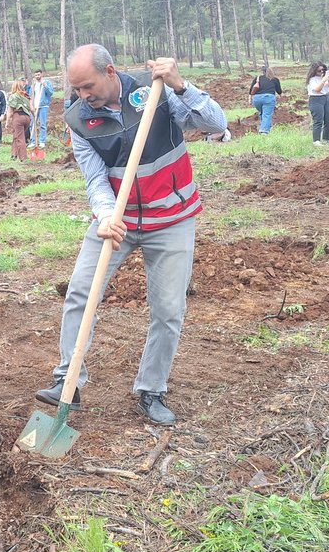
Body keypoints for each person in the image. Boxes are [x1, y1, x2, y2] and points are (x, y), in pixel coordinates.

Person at [34, 45, 226, 426]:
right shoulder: (77, 119)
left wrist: (181, 86)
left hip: (172, 217)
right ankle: (67, 381)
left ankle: (151, 390)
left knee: (168, 309)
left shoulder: (153, 90)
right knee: (80, 292)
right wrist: (106, 216)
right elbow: (94, 178)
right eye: (76, 88)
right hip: (118, 219)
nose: (82, 95)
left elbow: (215, 126)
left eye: (88, 86)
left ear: (110, 71)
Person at [306, 61, 329, 145]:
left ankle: (327, 138)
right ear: (314, 71)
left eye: (323, 70)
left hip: (326, 97)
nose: (322, 72)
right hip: (316, 99)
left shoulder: (325, 76)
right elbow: (317, 90)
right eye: (319, 71)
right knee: (318, 120)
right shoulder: (312, 80)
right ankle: (316, 140)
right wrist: (323, 81)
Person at [250, 65, 282, 134]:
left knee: (262, 113)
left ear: (262, 71)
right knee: (266, 115)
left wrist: (249, 100)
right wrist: (280, 96)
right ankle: (264, 132)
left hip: (257, 99)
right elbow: (279, 91)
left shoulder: (257, 78)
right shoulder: (274, 79)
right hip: (268, 98)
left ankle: (268, 127)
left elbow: (251, 91)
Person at [6, 79, 33, 161]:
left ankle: (23, 157)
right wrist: (34, 115)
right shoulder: (26, 96)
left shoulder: (13, 96)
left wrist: (7, 121)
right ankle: (14, 155)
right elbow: (32, 108)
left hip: (18, 117)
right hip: (27, 118)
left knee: (20, 137)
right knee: (16, 135)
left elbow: (10, 111)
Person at [27, 70, 54, 149]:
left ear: (41, 74)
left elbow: (50, 93)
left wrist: (45, 86)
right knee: (32, 123)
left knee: (42, 124)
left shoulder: (47, 83)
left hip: (43, 106)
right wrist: (31, 105)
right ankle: (33, 141)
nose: (37, 76)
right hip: (35, 106)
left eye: (38, 74)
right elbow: (30, 96)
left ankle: (42, 141)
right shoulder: (33, 84)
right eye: (36, 75)